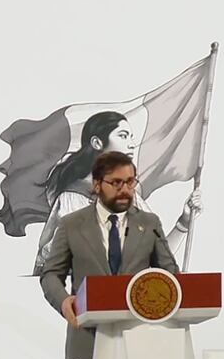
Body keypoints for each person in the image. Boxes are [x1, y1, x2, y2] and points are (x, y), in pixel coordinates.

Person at [40, 151, 179, 359]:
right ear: (97, 185)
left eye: (130, 182)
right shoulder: (71, 225)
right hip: (88, 339)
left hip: (140, 336)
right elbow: (50, 274)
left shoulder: (148, 223)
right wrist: (63, 301)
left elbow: (169, 273)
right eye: (116, 183)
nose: (125, 190)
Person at [33, 111, 201, 274]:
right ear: (97, 143)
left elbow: (158, 261)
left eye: (131, 137)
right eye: (123, 135)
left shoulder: (131, 198)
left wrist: (184, 222)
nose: (131, 143)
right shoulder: (73, 198)